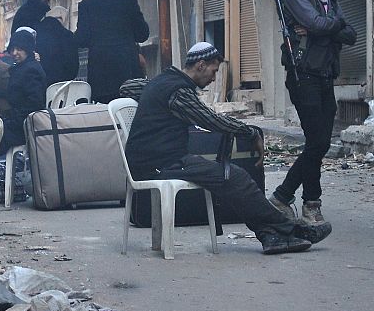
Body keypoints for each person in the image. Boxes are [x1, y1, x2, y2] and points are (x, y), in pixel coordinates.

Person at [119, 42, 332, 255]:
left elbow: (127, 87)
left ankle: (272, 235)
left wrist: (152, 88)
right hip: (160, 164)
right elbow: (209, 120)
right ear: (200, 65)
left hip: (157, 160)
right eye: (213, 70)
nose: (214, 78)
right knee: (234, 177)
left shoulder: (165, 80)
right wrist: (249, 132)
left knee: (231, 177)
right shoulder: (178, 91)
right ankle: (290, 230)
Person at [268, 0, 357, 225]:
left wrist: (324, 26)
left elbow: (351, 34)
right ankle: (310, 204)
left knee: (317, 144)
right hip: (303, 75)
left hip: (326, 76)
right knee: (318, 141)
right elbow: (321, 25)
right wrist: (329, 26)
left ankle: (283, 197)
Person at [75, 0, 149, 103]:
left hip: (100, 73)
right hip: (129, 71)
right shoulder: (129, 1)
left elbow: (82, 39)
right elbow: (142, 34)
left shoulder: (86, 5)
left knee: (104, 114)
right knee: (130, 110)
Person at [0, 27, 47, 155]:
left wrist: (11, 122)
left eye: (19, 49)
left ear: (28, 49)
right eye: (12, 49)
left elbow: (34, 104)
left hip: (23, 127)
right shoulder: (23, 67)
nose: (14, 53)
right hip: (18, 121)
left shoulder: (30, 70)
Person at [36, 6, 79, 86]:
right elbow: (73, 67)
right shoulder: (68, 36)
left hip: (42, 86)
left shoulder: (37, 35)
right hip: (66, 86)